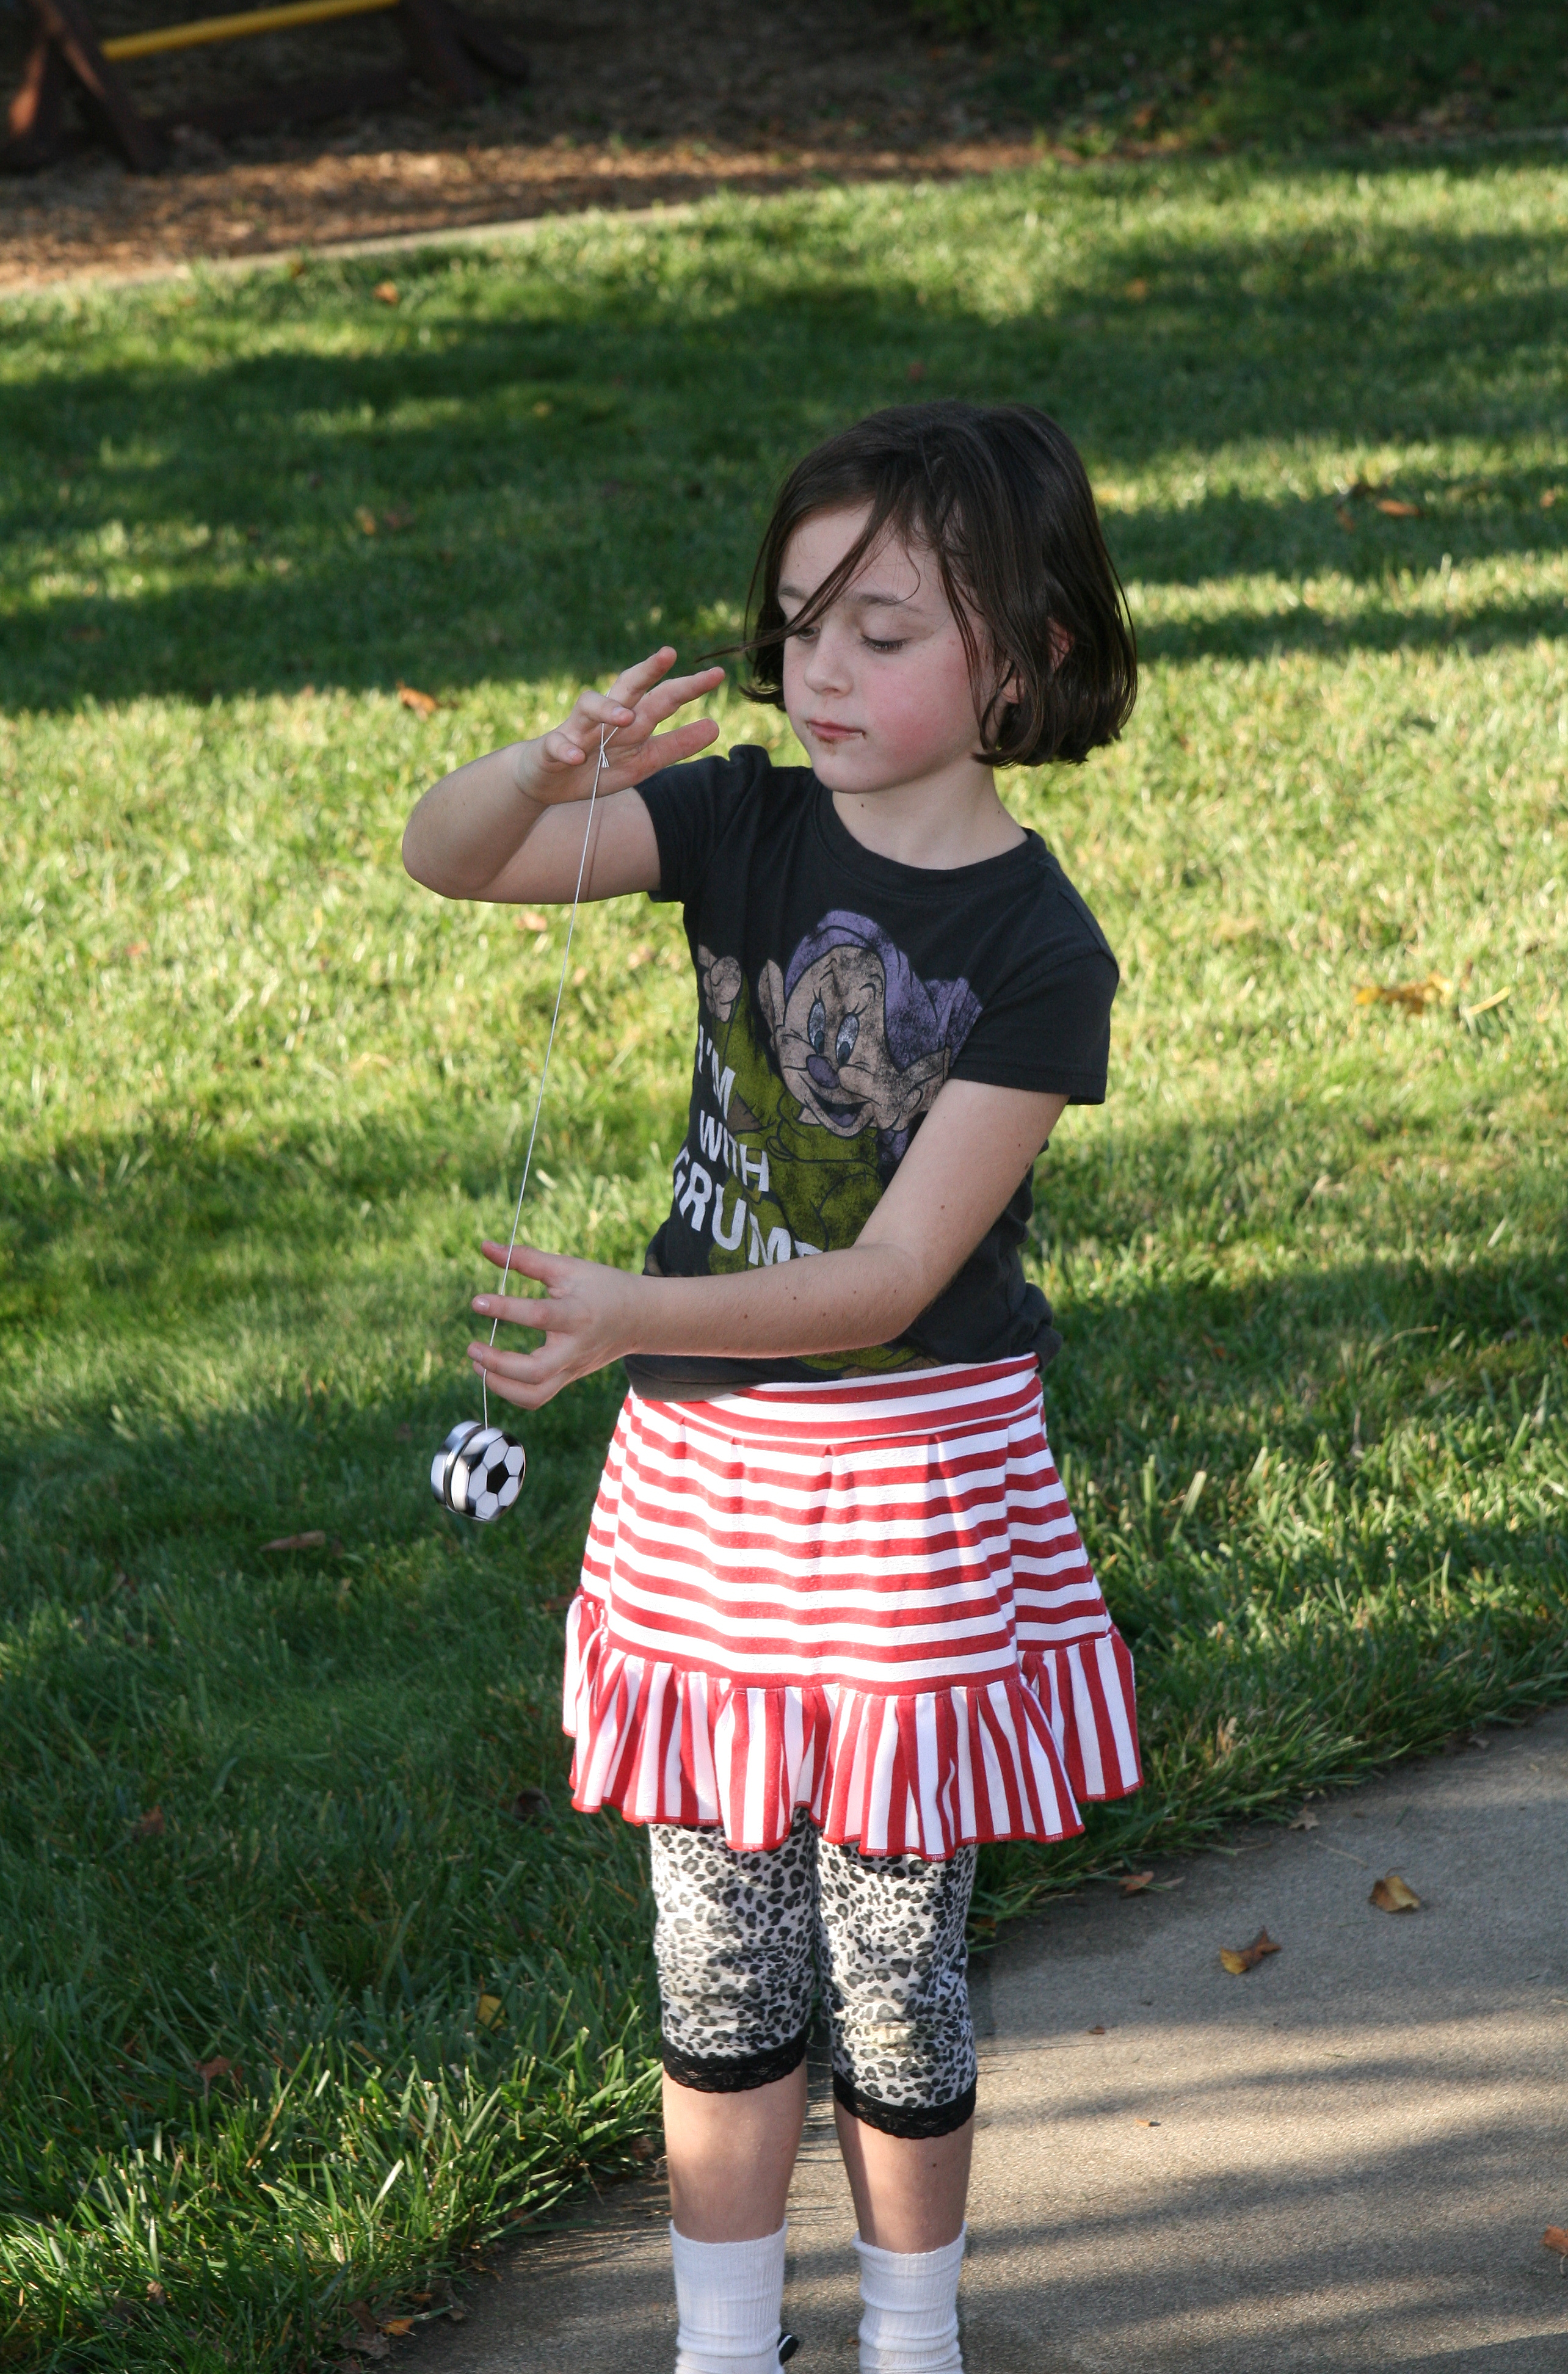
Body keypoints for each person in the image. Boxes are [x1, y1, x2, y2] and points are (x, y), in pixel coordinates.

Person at [402, 401, 1142, 2374]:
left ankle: (913, 2338)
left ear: (1028, 659)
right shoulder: (738, 820)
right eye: (801, 619)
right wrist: (545, 767)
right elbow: (448, 862)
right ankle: (724, 2346)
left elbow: (894, 1281)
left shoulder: (1039, 952)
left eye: (883, 631)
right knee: (719, 1968)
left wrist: (632, 1313)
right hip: (708, 1495)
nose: (821, 666)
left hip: (909, 1497)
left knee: (898, 1969)